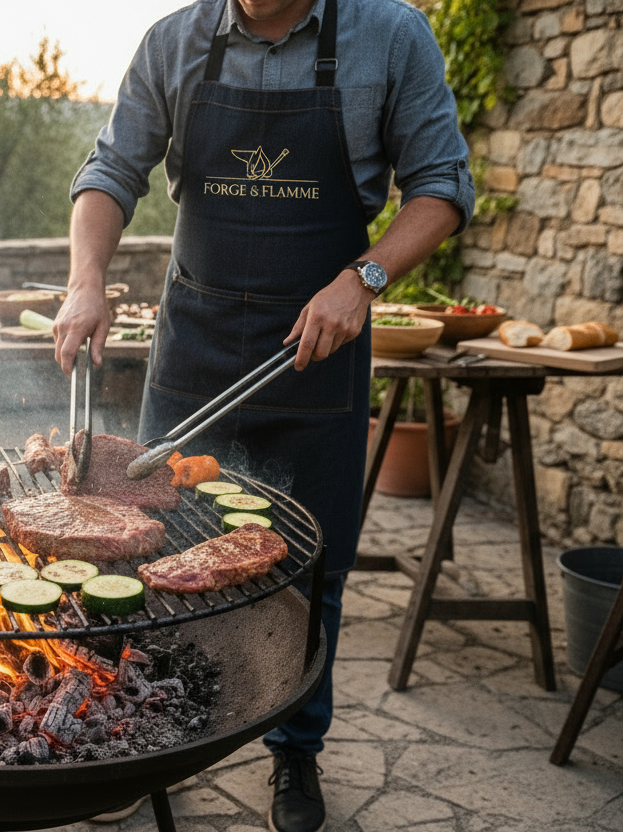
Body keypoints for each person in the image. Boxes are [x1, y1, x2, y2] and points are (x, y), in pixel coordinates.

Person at [53, 1, 474, 830]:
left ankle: (295, 752)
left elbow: (443, 187)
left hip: (317, 347)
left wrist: (367, 278)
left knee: (311, 570)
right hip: (197, 342)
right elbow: (109, 173)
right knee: (141, 548)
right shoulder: (173, 41)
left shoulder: (390, 36)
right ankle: (138, 730)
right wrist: (85, 278)